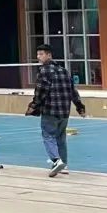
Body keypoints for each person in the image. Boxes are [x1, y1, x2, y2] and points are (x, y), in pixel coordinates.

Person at [32, 44, 86, 177]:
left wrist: (34, 106)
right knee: (61, 138)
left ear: (49, 55)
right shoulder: (64, 70)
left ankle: (56, 161)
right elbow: (73, 91)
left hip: (50, 111)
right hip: (64, 112)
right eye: (38, 54)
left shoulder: (44, 71)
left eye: (41, 54)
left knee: (48, 136)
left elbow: (40, 91)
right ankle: (64, 165)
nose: (38, 57)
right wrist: (80, 106)